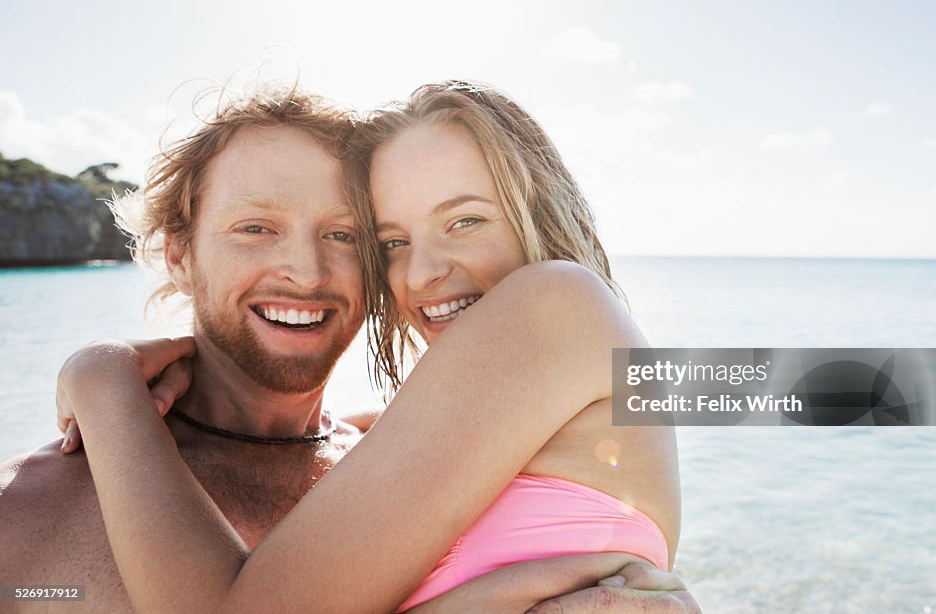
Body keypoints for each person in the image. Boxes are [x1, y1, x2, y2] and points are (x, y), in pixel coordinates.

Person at [52, 82, 695, 613]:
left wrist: (104, 380)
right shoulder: (477, 413)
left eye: (464, 221)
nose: (422, 275)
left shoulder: (553, 303)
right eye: (391, 242)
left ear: (541, 210)